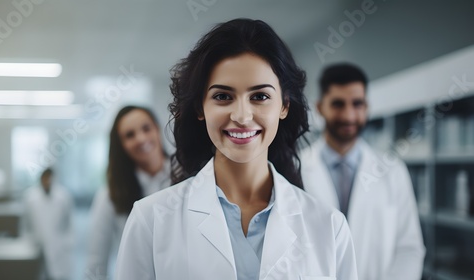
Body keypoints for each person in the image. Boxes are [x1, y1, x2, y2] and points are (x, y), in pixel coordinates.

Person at [115, 19, 358, 280]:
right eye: (223, 96)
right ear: (200, 108)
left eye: (260, 96)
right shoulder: (150, 220)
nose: (242, 116)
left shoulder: (329, 227)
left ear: (284, 105)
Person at [300, 63, 426, 280]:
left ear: (366, 107)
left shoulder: (393, 171)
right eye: (338, 104)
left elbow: (410, 247)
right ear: (320, 107)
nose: (349, 116)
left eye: (357, 104)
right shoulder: (296, 169)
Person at [86, 106, 171, 279]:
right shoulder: (110, 195)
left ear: (157, 129)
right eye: (129, 135)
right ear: (121, 145)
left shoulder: (188, 178)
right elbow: (96, 261)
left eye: (146, 128)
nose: (141, 138)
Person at [22, 168, 74, 280]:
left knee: (57, 274)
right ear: (41, 179)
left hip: (59, 247)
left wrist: (67, 243)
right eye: (45, 178)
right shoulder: (30, 197)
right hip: (37, 245)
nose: (47, 181)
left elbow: (69, 223)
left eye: (49, 178)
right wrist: (28, 241)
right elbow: (26, 223)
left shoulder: (63, 196)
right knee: (39, 274)